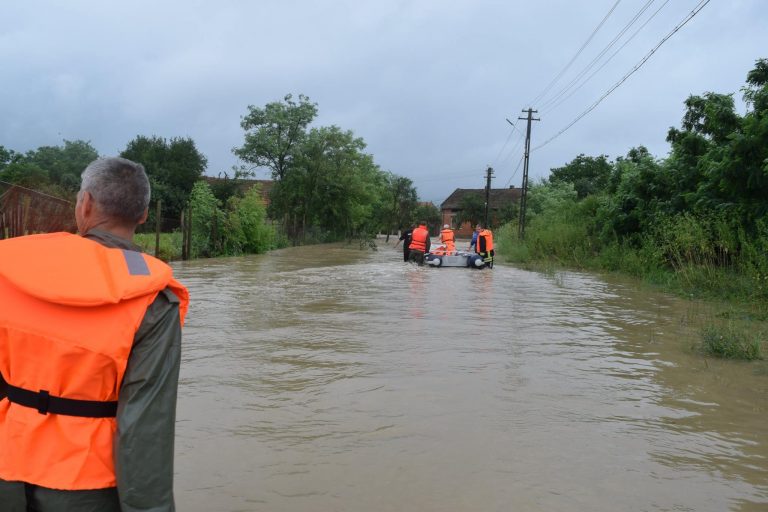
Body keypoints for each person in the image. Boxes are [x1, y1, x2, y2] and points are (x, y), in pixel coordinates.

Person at [0, 157, 189, 512]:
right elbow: (145, 428)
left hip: (6, 471)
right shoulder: (151, 299)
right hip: (85, 489)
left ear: (84, 204)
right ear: (144, 215)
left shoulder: (9, 271)